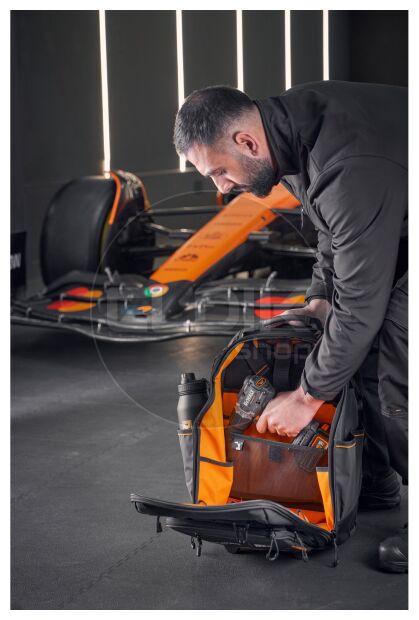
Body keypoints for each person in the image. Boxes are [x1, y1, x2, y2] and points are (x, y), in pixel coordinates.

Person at [173, 81, 408, 573]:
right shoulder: (292, 134)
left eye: (219, 171)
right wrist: (319, 300)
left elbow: (360, 306)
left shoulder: (345, 161)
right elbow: (330, 229)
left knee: (394, 345)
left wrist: (306, 396)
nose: (221, 188)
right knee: (347, 335)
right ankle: (375, 476)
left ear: (246, 142)